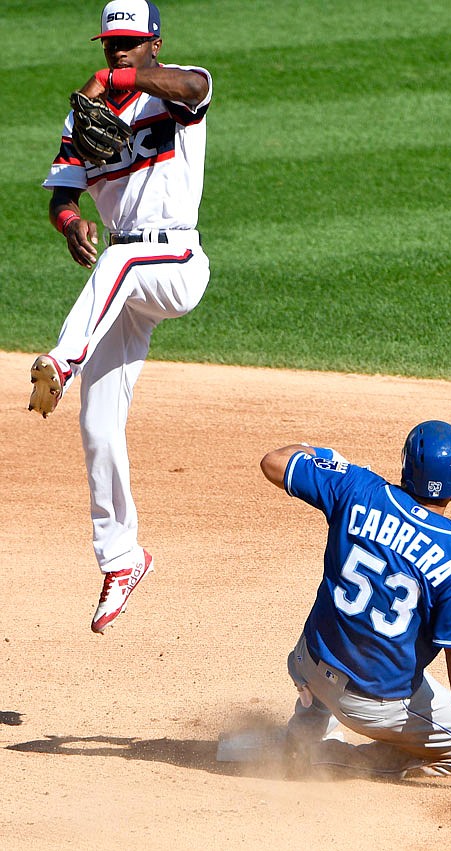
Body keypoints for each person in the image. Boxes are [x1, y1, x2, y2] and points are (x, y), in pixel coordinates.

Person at [28, 0, 212, 634]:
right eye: (111, 44)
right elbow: (61, 193)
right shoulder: (85, 116)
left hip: (177, 260)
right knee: (99, 423)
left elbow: (196, 88)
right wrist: (72, 222)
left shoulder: (179, 90)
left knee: (122, 260)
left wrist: (120, 83)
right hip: (127, 276)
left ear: (154, 44)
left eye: (131, 42)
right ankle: (121, 559)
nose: (119, 51)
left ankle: (62, 358)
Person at [260, 421, 451, 788]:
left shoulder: (358, 487)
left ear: (406, 468)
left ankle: (305, 725)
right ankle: (324, 760)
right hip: (368, 705)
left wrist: (325, 457)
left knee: (342, 650)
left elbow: (274, 462)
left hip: (307, 662)